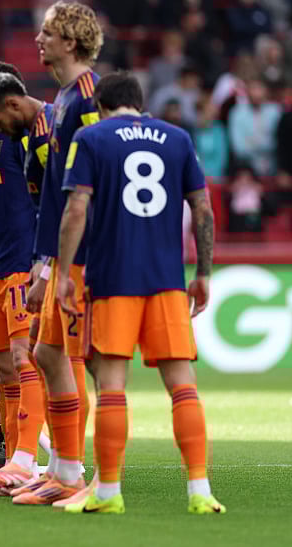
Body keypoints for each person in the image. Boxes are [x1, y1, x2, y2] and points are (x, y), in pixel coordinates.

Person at [56, 72, 225, 516]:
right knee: (182, 385)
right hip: (167, 280)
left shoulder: (92, 137)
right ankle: (200, 490)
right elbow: (202, 209)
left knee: (112, 384)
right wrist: (203, 272)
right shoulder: (177, 138)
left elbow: (76, 209)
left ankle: (108, 491)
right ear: (140, 102)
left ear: (103, 107)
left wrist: (63, 273)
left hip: (113, 279)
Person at [0, 1, 102, 502]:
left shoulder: (88, 98)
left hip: (87, 250)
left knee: (92, 361)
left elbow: (94, 181)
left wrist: (67, 259)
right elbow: (53, 196)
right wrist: (44, 262)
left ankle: (91, 475)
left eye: (47, 32)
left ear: (71, 41)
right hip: (61, 250)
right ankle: (64, 471)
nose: (37, 39)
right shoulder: (62, 99)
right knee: (47, 353)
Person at [0, 67, 71, 503]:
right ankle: (12, 461)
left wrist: (42, 267)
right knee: (5, 368)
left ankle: (30, 460)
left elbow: (50, 202)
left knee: (28, 361)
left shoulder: (29, 138)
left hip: (24, 267)